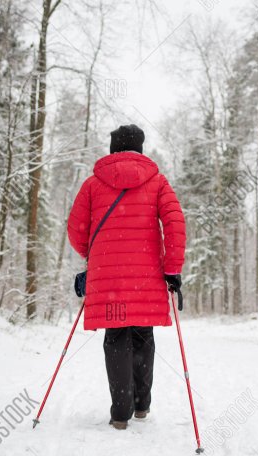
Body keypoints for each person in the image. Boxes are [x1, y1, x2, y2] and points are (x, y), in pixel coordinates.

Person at [67, 124, 186, 430]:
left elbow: (76, 228)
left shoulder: (93, 184)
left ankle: (120, 413)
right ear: (140, 148)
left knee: (117, 335)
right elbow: (175, 224)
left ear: (113, 148)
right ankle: (142, 406)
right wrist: (172, 269)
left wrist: (93, 256)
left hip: (108, 278)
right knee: (143, 334)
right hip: (145, 277)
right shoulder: (158, 182)